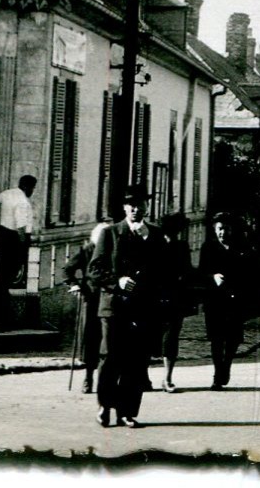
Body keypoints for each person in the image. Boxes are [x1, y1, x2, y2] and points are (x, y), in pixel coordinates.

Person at [90, 184, 169, 429]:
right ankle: (104, 405)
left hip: (143, 309)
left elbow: (163, 273)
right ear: (124, 207)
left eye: (140, 204)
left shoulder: (155, 235)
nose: (136, 208)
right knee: (110, 357)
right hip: (114, 307)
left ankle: (127, 412)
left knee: (137, 361)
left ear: (147, 206)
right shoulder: (110, 233)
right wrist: (117, 281)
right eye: (131, 204)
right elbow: (95, 269)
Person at [198, 213, 250, 389]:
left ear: (232, 230)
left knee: (233, 338)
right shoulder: (208, 247)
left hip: (236, 301)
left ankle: (226, 364)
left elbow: (250, 271)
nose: (223, 233)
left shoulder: (241, 247)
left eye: (226, 229)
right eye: (219, 229)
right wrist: (213, 277)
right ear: (215, 230)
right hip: (215, 301)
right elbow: (201, 273)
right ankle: (218, 373)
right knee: (217, 338)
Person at [64, 218, 113, 394]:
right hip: (91, 299)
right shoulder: (87, 250)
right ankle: (88, 377)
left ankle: (104, 379)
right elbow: (68, 269)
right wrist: (74, 285)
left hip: (108, 298)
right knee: (91, 338)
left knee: (107, 341)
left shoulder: (112, 251)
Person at [154, 211, 194, 393]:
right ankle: (145, 378)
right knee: (149, 336)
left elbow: (187, 272)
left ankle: (167, 378)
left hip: (174, 298)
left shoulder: (182, 246)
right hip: (153, 297)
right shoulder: (153, 245)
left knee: (170, 338)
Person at [0, 175, 37, 289]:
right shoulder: (22, 202)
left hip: (3, 233)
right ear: (26, 187)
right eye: (32, 188)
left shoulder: (8, 193)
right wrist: (22, 244)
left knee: (1, 267)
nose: (32, 191)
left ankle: (0, 289)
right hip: (14, 237)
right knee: (13, 270)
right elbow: (20, 226)